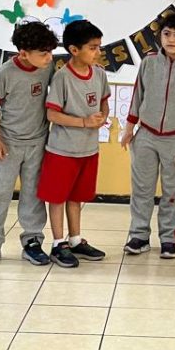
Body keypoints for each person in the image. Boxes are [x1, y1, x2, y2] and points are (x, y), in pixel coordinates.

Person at [0, 21, 58, 268]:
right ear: (23, 53)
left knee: (33, 194)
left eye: (50, 52)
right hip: (8, 144)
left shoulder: (47, 67)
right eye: (43, 53)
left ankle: (32, 242)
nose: (48, 57)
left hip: (38, 142)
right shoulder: (6, 72)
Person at [121, 11, 175, 259]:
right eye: (167, 34)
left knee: (171, 191)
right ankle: (139, 236)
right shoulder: (148, 62)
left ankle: (168, 239)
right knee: (142, 189)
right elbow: (138, 96)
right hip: (145, 135)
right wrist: (129, 129)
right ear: (160, 36)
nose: (171, 39)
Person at [36, 20, 109, 268]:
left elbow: (104, 102)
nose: (98, 52)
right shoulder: (62, 78)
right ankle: (58, 243)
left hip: (88, 149)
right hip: (62, 151)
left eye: (99, 47)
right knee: (57, 197)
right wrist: (84, 122)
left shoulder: (99, 73)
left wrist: (102, 116)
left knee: (77, 197)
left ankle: (76, 239)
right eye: (92, 48)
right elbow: (52, 115)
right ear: (74, 50)